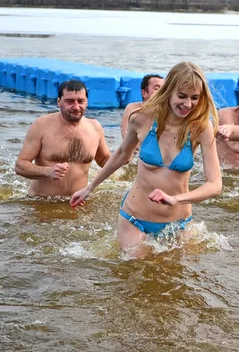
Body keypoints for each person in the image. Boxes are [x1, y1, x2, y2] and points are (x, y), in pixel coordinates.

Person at [70, 62, 222, 257]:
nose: (188, 104)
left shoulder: (201, 128)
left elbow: (215, 184)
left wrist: (176, 199)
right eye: (182, 96)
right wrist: (90, 187)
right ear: (169, 92)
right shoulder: (141, 118)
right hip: (135, 218)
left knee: (176, 283)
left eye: (194, 98)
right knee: (136, 277)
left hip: (178, 222)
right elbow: (122, 154)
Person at [15, 80, 111, 197]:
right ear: (59, 102)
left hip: (77, 202)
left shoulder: (95, 127)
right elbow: (20, 166)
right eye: (70, 101)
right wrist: (48, 172)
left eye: (80, 101)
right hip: (42, 202)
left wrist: (124, 155)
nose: (76, 107)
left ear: (87, 102)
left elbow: (103, 160)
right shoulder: (41, 125)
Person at [121, 74, 164, 138]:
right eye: (157, 88)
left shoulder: (168, 111)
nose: (162, 92)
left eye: (164, 89)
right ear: (144, 93)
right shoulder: (132, 109)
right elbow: (125, 134)